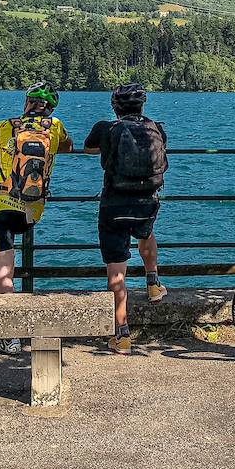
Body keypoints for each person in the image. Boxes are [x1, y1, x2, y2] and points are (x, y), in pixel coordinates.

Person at [0, 82, 72, 354]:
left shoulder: (4, 126)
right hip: (33, 209)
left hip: (3, 204)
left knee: (5, 271)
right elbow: (68, 147)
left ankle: (10, 336)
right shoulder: (55, 127)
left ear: (26, 102)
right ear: (51, 107)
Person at [83, 83, 169, 354]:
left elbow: (89, 149)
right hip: (146, 202)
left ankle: (122, 335)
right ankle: (153, 283)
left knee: (116, 271)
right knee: (146, 233)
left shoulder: (105, 128)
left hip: (113, 206)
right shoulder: (157, 128)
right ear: (142, 106)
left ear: (115, 107)